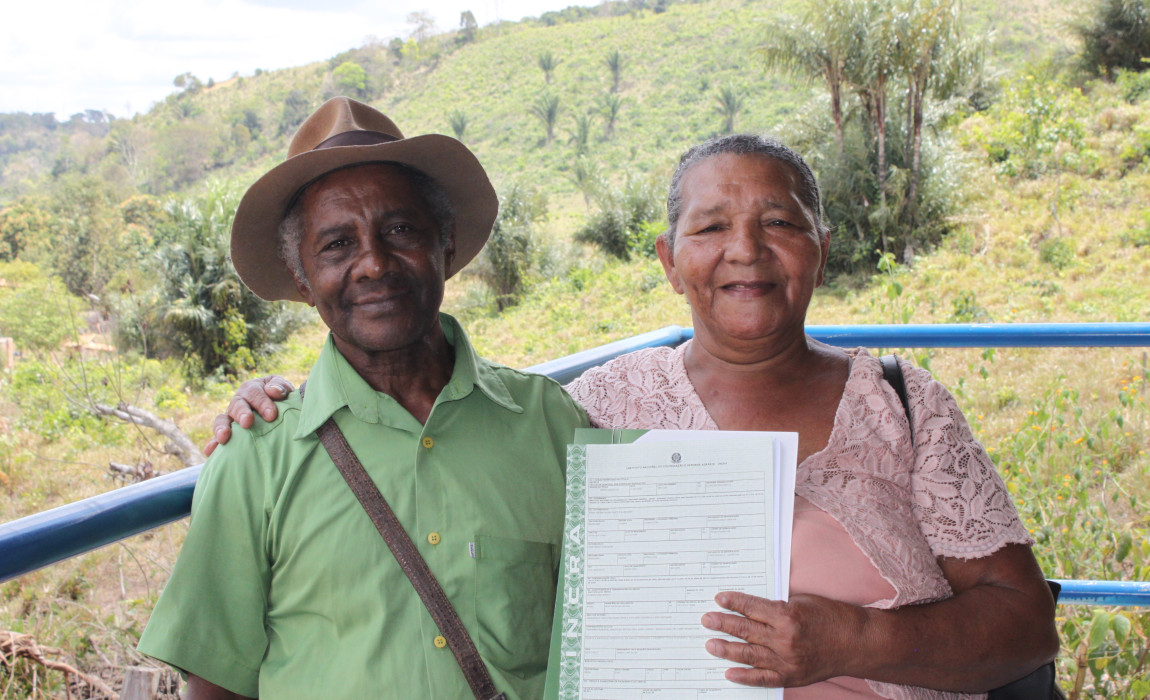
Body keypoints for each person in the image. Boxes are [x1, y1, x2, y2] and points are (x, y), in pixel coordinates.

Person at [211, 134, 1059, 698]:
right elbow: (441, 431)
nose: (746, 251)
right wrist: (290, 398)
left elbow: (1024, 625)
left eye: (780, 224)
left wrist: (855, 644)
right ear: (668, 260)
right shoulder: (594, 414)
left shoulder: (905, 406)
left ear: (822, 249)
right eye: (712, 226)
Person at [138, 97, 588, 700]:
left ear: (445, 246)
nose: (374, 264)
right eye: (336, 245)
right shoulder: (257, 457)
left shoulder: (549, 423)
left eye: (400, 230)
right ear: (301, 276)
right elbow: (216, 687)